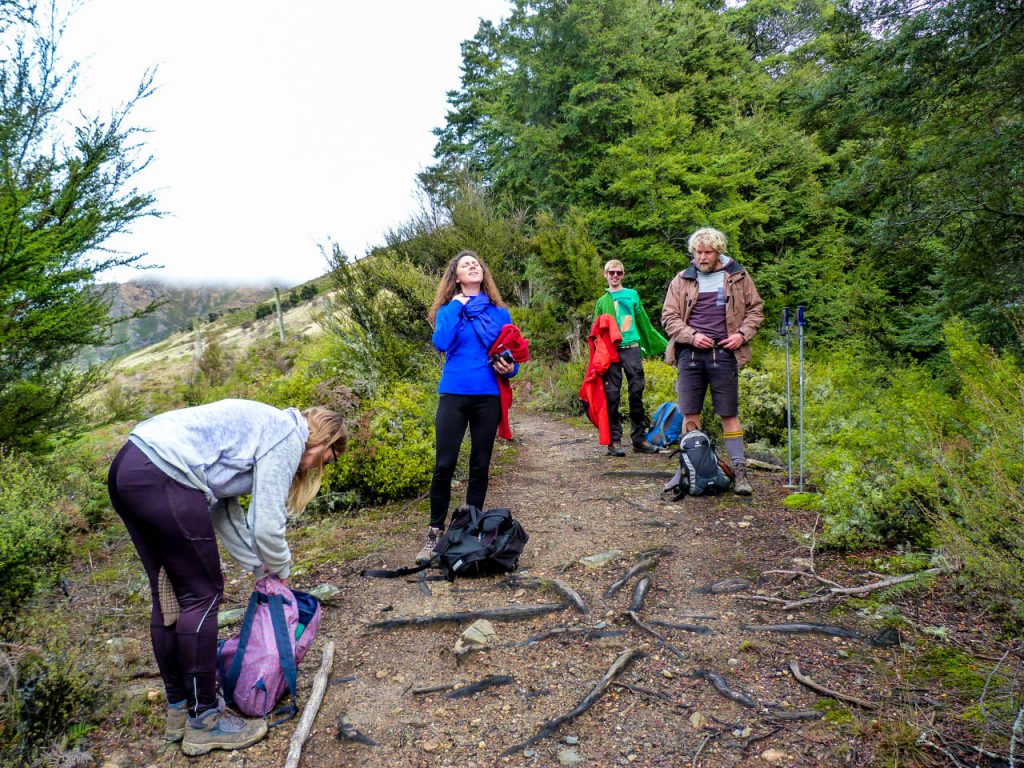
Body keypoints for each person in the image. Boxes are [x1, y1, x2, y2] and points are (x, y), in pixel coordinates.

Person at [107, 399, 346, 756]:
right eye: (325, 460)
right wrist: (282, 567)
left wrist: (258, 568)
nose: (316, 468)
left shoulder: (264, 428)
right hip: (164, 474)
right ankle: (205, 720)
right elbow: (266, 525)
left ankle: (179, 710)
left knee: (169, 596)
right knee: (201, 596)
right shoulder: (288, 436)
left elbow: (224, 510)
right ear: (322, 440)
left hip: (130, 467)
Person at [417, 250, 521, 565]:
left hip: (487, 394)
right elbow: (442, 342)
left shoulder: (499, 312)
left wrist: (510, 368)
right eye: (465, 264)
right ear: (456, 277)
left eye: (476, 262)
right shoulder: (449, 310)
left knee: (480, 465)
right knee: (444, 465)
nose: (473, 265)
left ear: (482, 273)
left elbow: (511, 353)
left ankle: (471, 529)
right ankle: (435, 531)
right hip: (454, 393)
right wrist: (458, 306)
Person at [661, 228, 764, 495]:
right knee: (689, 413)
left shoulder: (738, 276)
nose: (702, 257)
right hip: (689, 354)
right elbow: (669, 317)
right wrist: (692, 336)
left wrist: (741, 335)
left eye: (707, 252)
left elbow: (756, 309)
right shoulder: (681, 279)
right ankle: (688, 469)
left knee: (729, 413)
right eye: (698, 252)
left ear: (718, 252)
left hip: (725, 353)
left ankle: (740, 472)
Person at [595, 259, 667, 457]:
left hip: (632, 347)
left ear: (623, 275)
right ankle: (614, 441)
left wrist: (662, 345)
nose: (615, 276)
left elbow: (643, 321)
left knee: (636, 393)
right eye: (611, 273)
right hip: (611, 351)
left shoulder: (632, 295)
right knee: (612, 396)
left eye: (618, 272)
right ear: (606, 275)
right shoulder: (602, 302)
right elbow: (596, 332)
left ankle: (639, 439)